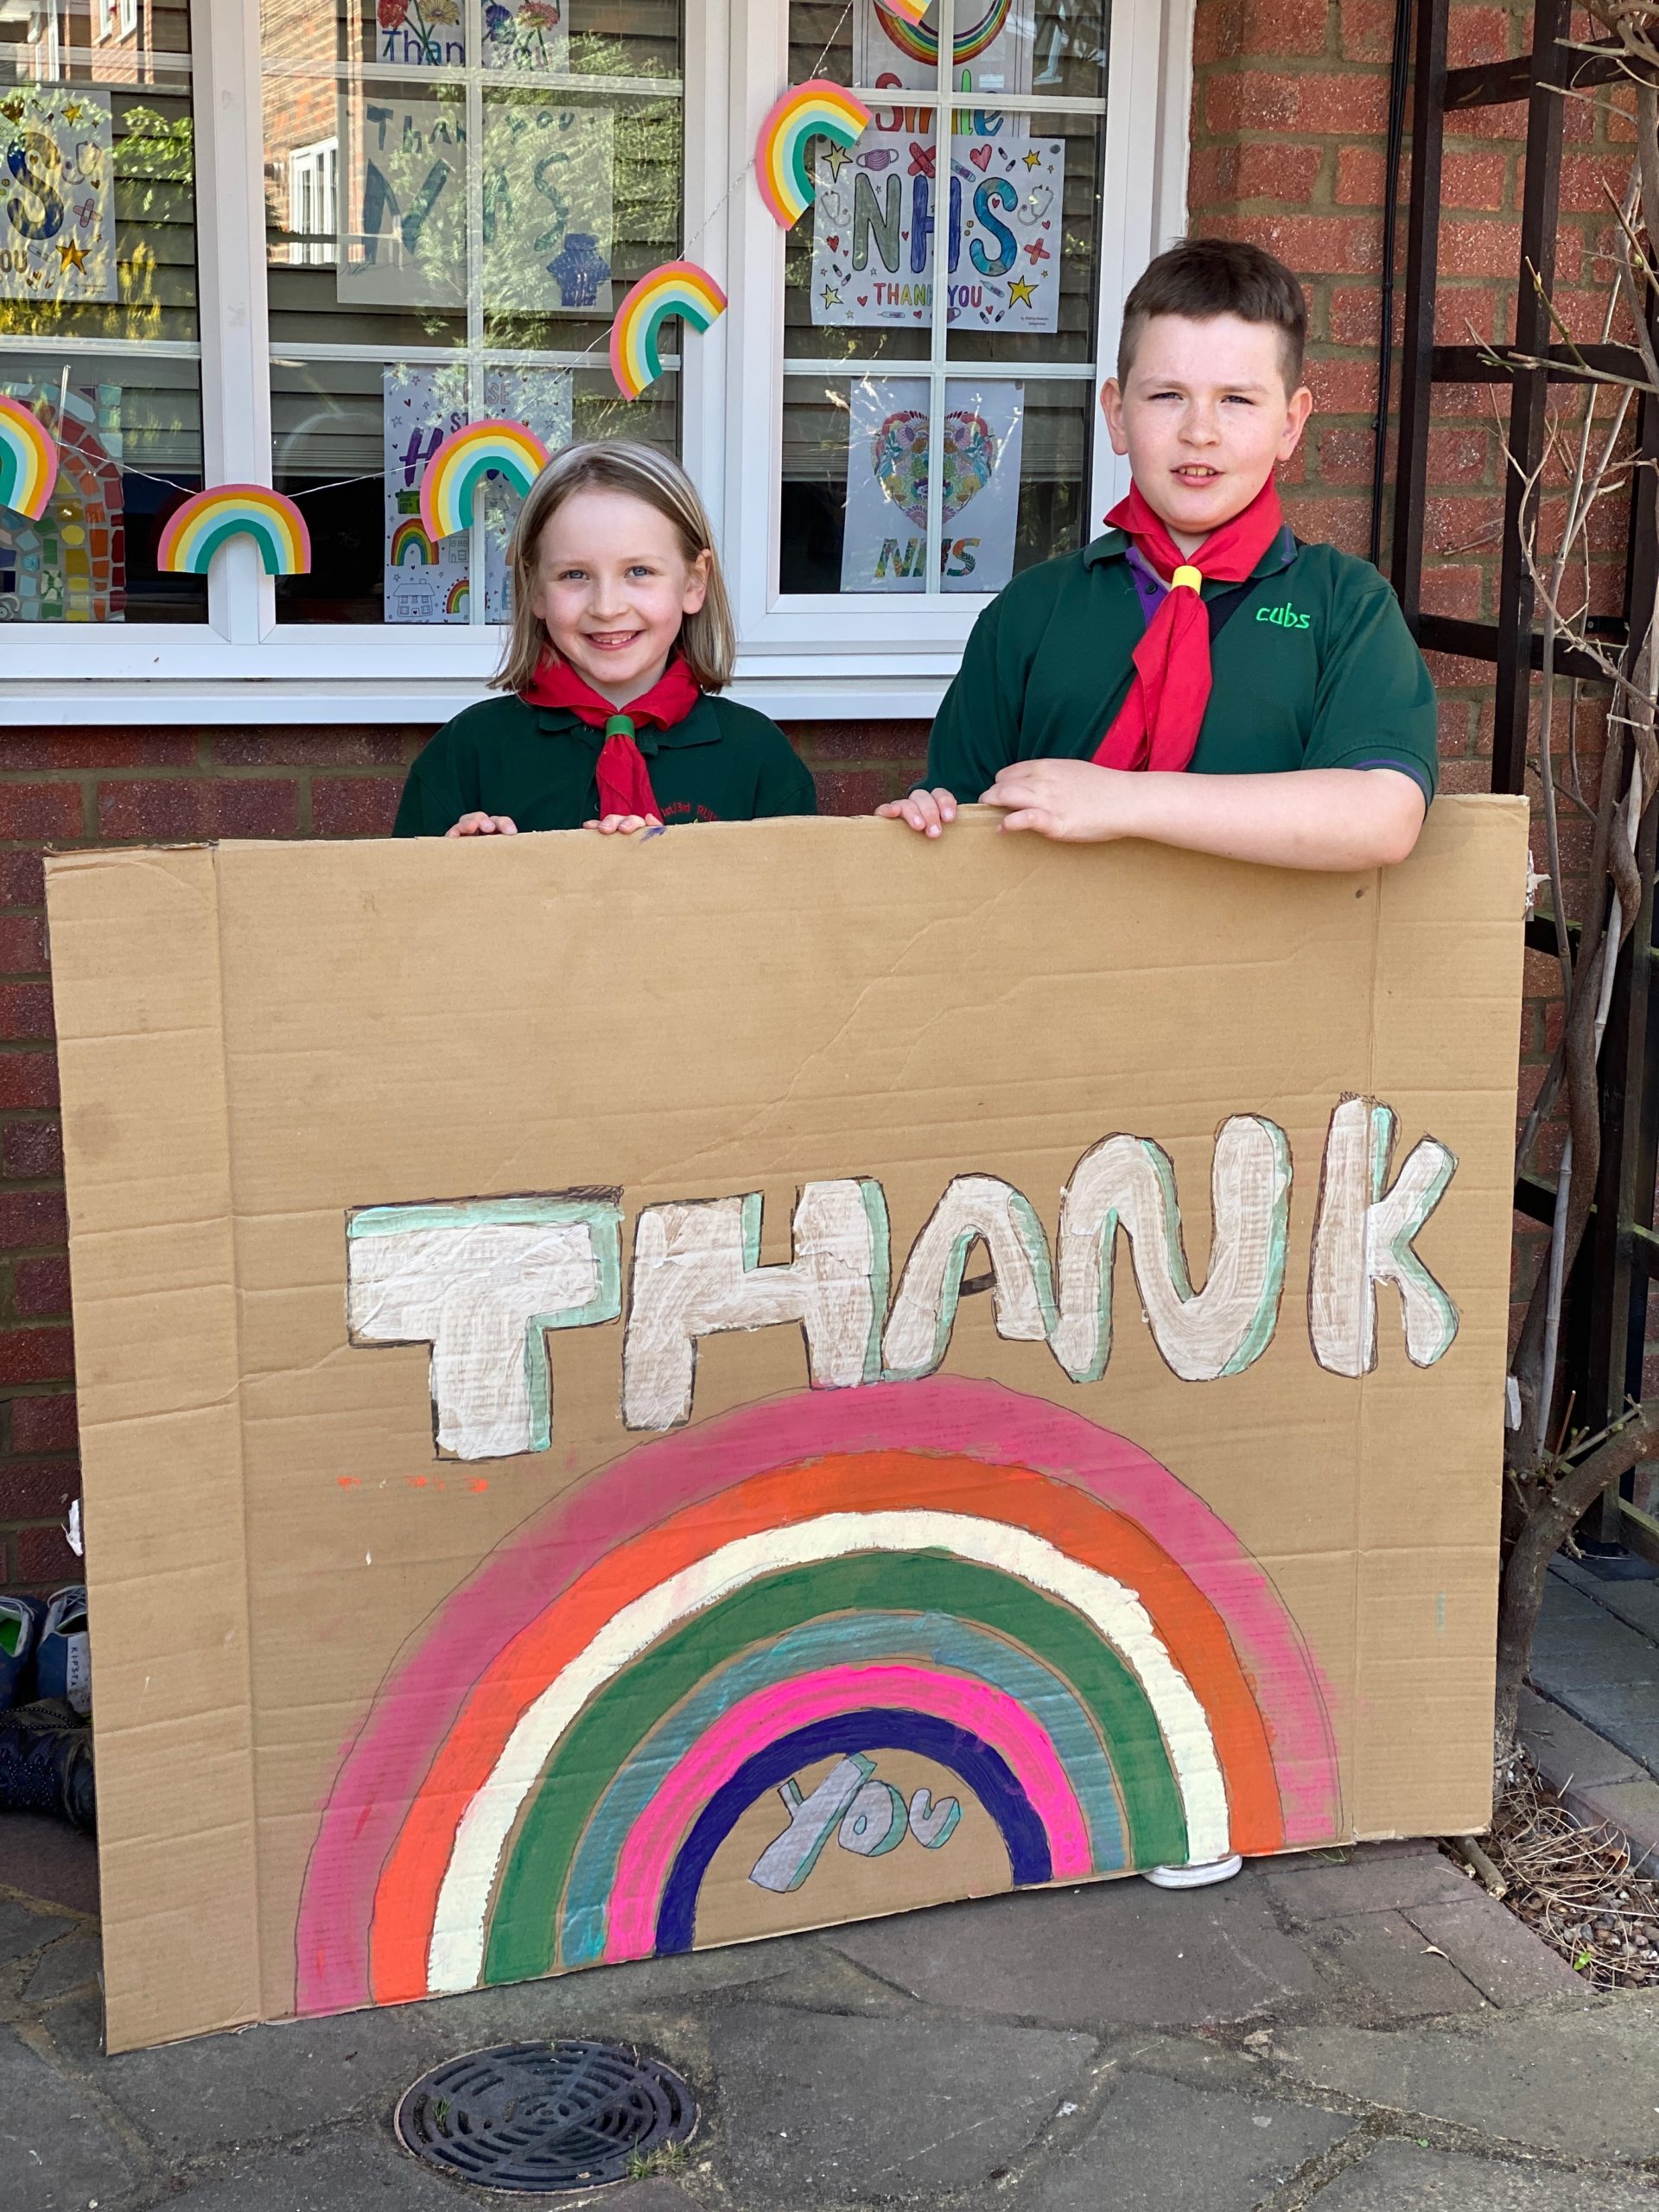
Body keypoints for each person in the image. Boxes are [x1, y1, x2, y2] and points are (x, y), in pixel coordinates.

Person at [877, 238, 1436, 868]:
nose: (1200, 430)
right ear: (1117, 415)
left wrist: (1121, 802)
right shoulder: (1031, 612)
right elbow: (964, 824)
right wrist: (930, 816)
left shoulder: (1346, 606)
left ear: (1291, 423)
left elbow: (1382, 816)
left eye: (1238, 399)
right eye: (1167, 395)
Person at [395, 441, 816, 837]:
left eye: (639, 572)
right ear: (535, 589)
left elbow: (808, 908)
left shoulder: (759, 756)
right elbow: (396, 905)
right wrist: (455, 874)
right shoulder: (469, 751)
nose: (607, 607)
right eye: (574, 575)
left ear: (693, 581)